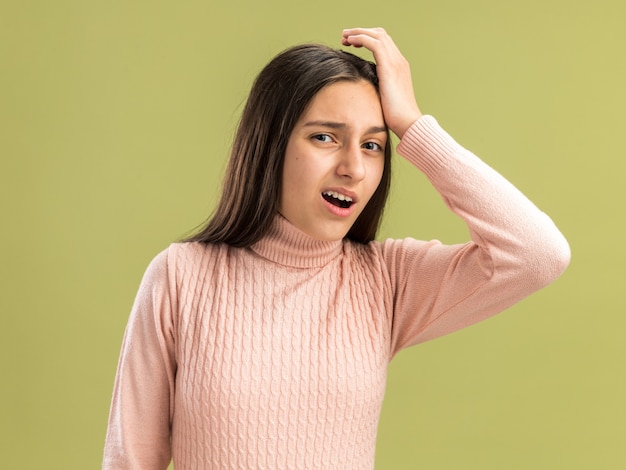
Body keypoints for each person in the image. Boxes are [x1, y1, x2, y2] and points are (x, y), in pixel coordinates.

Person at [103, 27, 570, 469]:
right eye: (325, 137)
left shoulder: (386, 280)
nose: (354, 168)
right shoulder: (181, 276)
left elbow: (537, 252)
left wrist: (412, 124)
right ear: (270, 144)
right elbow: (131, 461)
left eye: (372, 145)